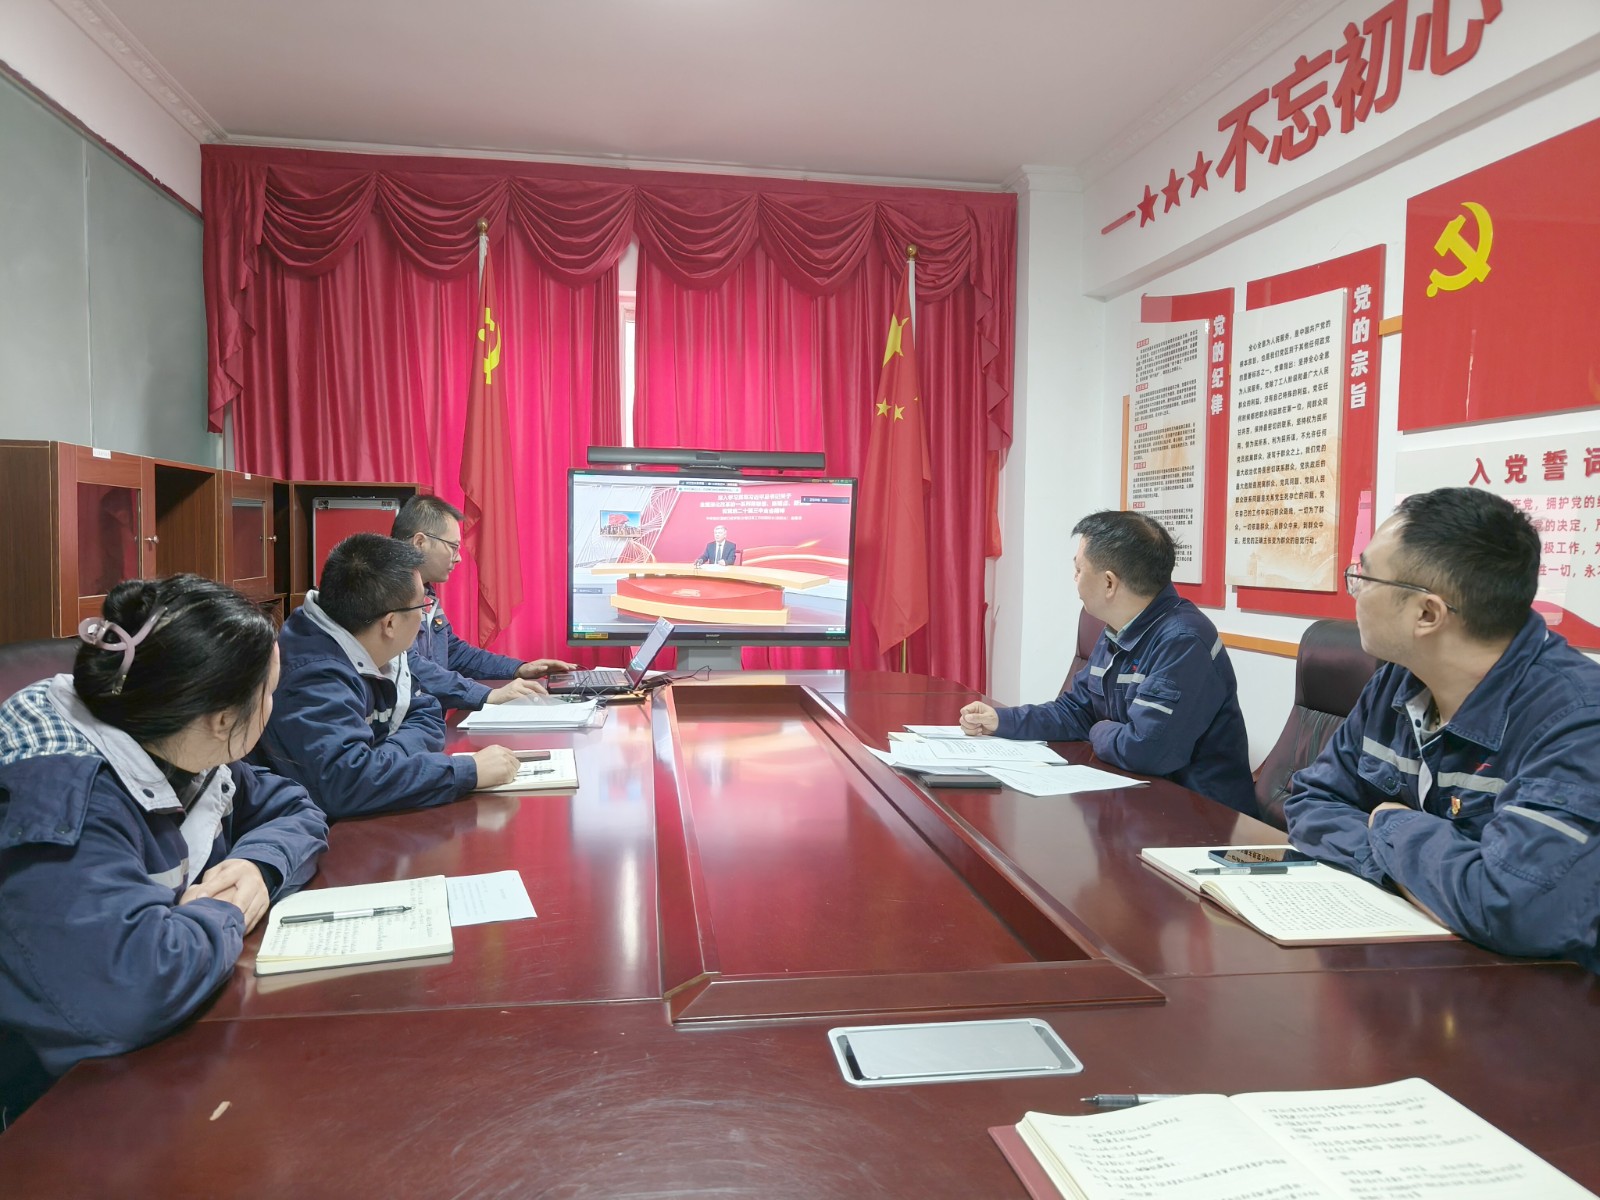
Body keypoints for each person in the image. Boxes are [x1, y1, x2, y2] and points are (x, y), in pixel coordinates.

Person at [0, 575, 329, 1114]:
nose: (272, 705)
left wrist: (258, 866)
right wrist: (227, 909)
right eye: (269, 692)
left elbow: (294, 808)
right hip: (55, 1107)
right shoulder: (65, 793)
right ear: (223, 719)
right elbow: (128, 987)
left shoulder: (170, 728)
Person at [1285, 488, 1600, 971]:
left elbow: (1513, 907)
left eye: (1364, 577)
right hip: (1421, 968)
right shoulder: (1397, 679)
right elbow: (1310, 801)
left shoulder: (1576, 719)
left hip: (1537, 996)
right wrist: (1408, 871)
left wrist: (1389, 824)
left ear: (1427, 614)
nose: (1355, 591)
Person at [959, 510, 1256, 816]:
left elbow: (1146, 749)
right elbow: (1075, 711)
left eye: (1079, 569)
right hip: (1139, 803)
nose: (1074, 578)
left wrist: (1099, 729)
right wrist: (1002, 720)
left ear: (1109, 583)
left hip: (1202, 819)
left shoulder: (1183, 640)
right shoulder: (1119, 627)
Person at [256, 533, 521, 819]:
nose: (424, 615)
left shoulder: (372, 640)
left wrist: (383, 760)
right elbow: (347, 785)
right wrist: (465, 772)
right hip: (316, 832)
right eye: (422, 606)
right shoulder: (312, 675)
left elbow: (428, 713)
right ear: (390, 623)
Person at [390, 495, 575, 712]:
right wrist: (487, 695)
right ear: (420, 542)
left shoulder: (425, 593)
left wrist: (518, 669)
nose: (458, 558)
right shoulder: (388, 596)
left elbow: (454, 653)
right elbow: (410, 667)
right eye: (453, 547)